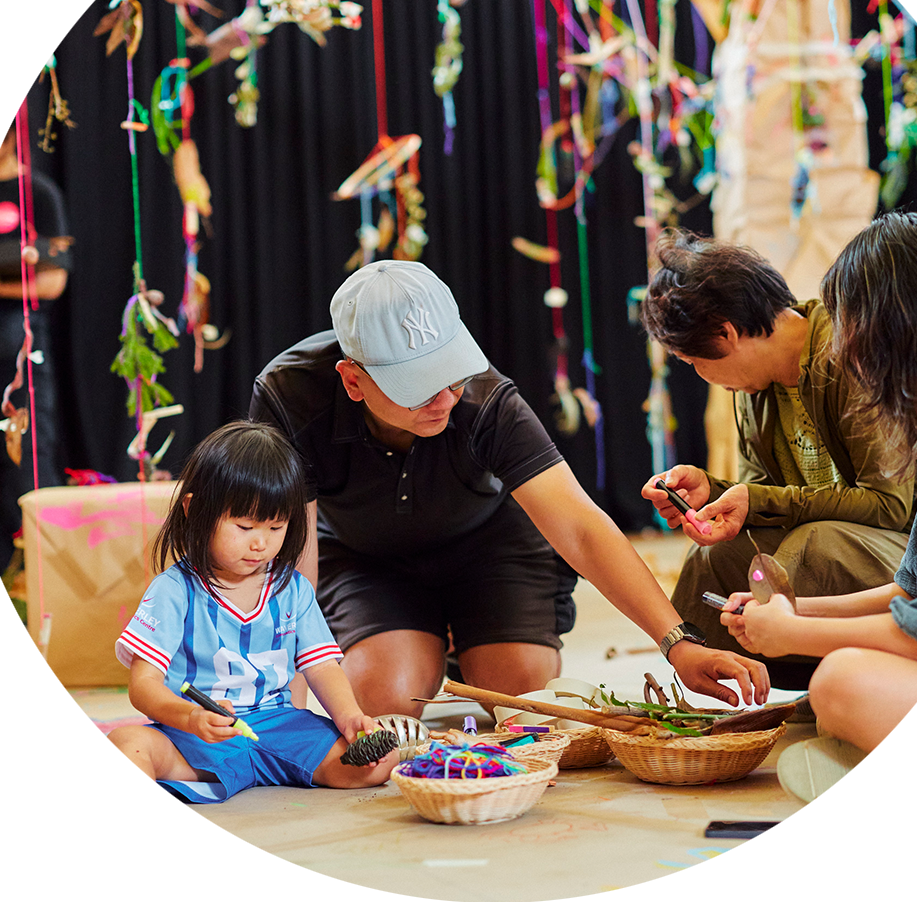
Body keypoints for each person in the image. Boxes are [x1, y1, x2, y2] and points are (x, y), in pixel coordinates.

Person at [250, 259, 769, 718]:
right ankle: (425, 635)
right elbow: (291, 554)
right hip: (367, 559)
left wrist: (678, 643)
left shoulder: (484, 399)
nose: (444, 399)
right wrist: (280, 692)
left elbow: (581, 529)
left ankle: (468, 634)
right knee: (385, 699)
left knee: (523, 697)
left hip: (491, 548)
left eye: (449, 373)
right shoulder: (291, 394)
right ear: (352, 379)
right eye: (418, 385)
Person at [719, 211, 917, 801]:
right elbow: (913, 595)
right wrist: (799, 611)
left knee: (841, 681)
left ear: (889, 332)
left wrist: (789, 632)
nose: (840, 345)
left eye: (847, 327)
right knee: (840, 677)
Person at [638, 228, 917, 687]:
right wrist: (717, 495)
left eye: (693, 363)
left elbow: (891, 506)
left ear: (725, 334)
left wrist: (759, 498)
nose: (702, 375)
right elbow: (768, 501)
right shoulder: (753, 384)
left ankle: (840, 674)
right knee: (715, 558)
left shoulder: (849, 352)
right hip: (836, 544)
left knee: (812, 546)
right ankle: (701, 677)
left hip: (909, 556)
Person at [107, 421, 398, 804]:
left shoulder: (293, 589)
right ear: (194, 509)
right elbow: (143, 686)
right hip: (197, 735)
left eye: (276, 526)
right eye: (244, 526)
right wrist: (189, 717)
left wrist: (349, 719)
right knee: (125, 744)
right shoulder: (174, 590)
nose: (260, 543)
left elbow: (323, 667)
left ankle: (278, 766)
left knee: (382, 758)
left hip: (282, 728)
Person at [0, 122, 72, 574]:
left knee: (27, 463)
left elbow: (53, 281)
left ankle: (40, 579)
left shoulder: (37, 193)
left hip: (17, 349)